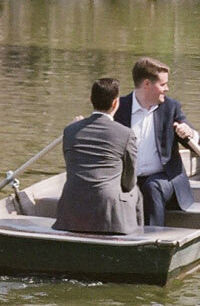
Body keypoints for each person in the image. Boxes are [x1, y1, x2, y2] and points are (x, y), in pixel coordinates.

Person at [114, 58, 198, 228]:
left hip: (165, 180)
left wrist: (189, 133)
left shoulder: (171, 107)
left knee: (152, 187)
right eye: (163, 84)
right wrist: (81, 126)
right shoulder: (118, 107)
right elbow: (100, 129)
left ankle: (153, 240)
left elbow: (198, 143)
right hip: (127, 179)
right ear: (147, 84)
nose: (167, 89)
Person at [54, 77, 139, 235]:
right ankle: (135, 236)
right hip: (106, 210)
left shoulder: (70, 131)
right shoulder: (126, 134)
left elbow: (70, 164)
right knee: (136, 192)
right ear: (115, 103)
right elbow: (129, 181)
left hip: (71, 205)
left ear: (91, 100)